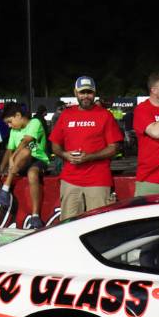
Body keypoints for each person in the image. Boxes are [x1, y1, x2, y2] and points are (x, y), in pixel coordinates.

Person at [48, 77, 122, 220]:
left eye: (89, 92)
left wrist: (90, 157)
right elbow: (55, 144)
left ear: (94, 93)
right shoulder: (66, 115)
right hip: (70, 180)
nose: (86, 96)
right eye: (82, 92)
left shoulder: (105, 115)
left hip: (98, 180)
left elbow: (114, 148)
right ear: (76, 93)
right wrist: (65, 155)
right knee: (67, 226)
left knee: (98, 226)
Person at [0, 103, 49, 229]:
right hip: (21, 163)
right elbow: (8, 150)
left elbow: (26, 141)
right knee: (24, 153)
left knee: (27, 155)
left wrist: (13, 157)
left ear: (18, 115)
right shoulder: (14, 131)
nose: (9, 126)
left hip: (38, 160)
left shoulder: (35, 122)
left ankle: (35, 216)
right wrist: (1, 169)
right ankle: (5, 188)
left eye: (10, 122)